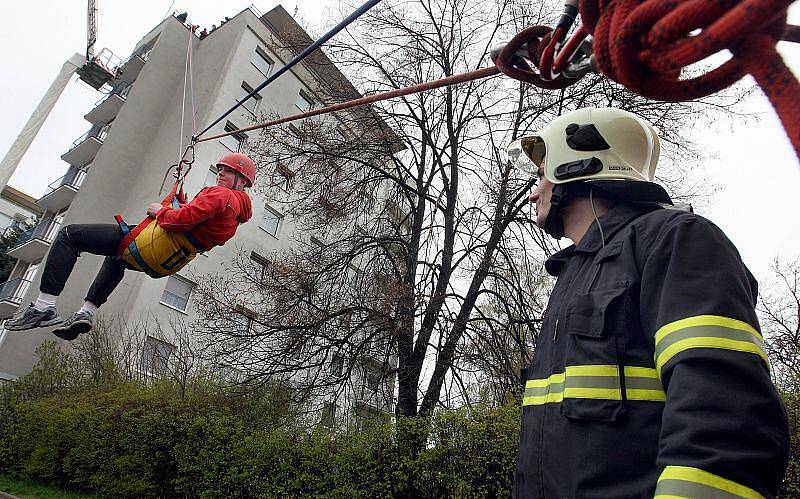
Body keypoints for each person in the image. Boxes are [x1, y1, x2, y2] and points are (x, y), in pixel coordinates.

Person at [507, 107, 789, 498]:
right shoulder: (575, 274)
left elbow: (725, 415)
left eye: (542, 175)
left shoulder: (676, 240)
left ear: (577, 167)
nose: (535, 190)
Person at [6, 153, 255, 340]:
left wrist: (161, 211)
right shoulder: (236, 213)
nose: (221, 173)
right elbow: (196, 224)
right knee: (117, 258)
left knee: (69, 236)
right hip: (167, 259)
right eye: (221, 169)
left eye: (229, 172)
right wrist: (179, 204)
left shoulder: (222, 195)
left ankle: (44, 306)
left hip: (151, 242)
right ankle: (87, 311)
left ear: (242, 182)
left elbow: (179, 220)